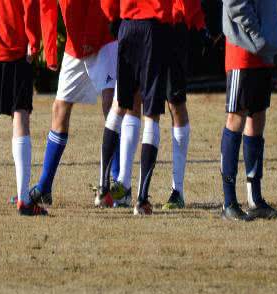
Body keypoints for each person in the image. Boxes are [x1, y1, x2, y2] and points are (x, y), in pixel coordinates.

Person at [26, 0, 122, 207]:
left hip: (102, 36)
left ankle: (117, 186)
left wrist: (90, 35)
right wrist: (50, 51)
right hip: (75, 45)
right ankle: (44, 187)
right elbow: (46, 6)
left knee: (110, 106)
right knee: (60, 108)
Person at [0, 0, 55, 216]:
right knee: (20, 115)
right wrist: (34, 40)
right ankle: (24, 200)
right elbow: (31, 3)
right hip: (14, 43)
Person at [100, 0, 174, 215]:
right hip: (154, 28)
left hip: (127, 25)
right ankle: (142, 199)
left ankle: (104, 189)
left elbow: (107, 4)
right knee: (151, 114)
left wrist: (113, 17)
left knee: (119, 106)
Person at [219, 0, 277, 220]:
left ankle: (255, 200)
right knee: (236, 118)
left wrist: (268, 38)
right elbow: (235, 3)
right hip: (243, 52)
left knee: (257, 118)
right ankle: (229, 203)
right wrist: (256, 35)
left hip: (262, 53)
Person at [161, 0, 207, 210]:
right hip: (139, 21)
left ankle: (177, 189)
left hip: (173, 24)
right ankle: (126, 186)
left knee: (175, 103)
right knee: (132, 103)